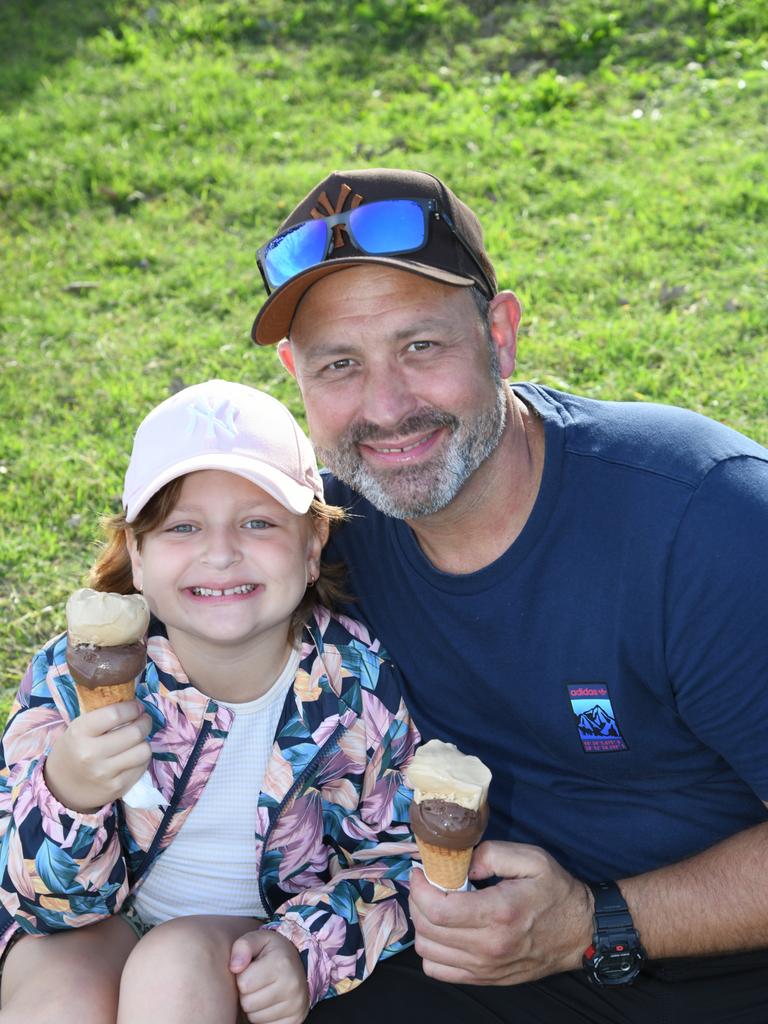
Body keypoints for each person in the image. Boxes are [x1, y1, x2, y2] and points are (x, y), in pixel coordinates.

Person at [249, 168, 768, 1022]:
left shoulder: (700, 522)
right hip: (469, 964)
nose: (386, 409)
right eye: (340, 364)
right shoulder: (318, 537)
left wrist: (593, 925)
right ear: (294, 375)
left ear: (500, 334)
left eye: (421, 347)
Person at [0, 379, 419, 1024]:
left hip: (245, 939)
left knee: (175, 965)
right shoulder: (70, 672)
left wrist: (304, 948)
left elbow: (396, 861)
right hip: (92, 920)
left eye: (257, 523)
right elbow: (37, 902)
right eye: (182, 527)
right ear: (136, 557)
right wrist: (70, 791)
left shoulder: (355, 683)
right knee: (55, 987)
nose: (220, 553)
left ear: (312, 547)